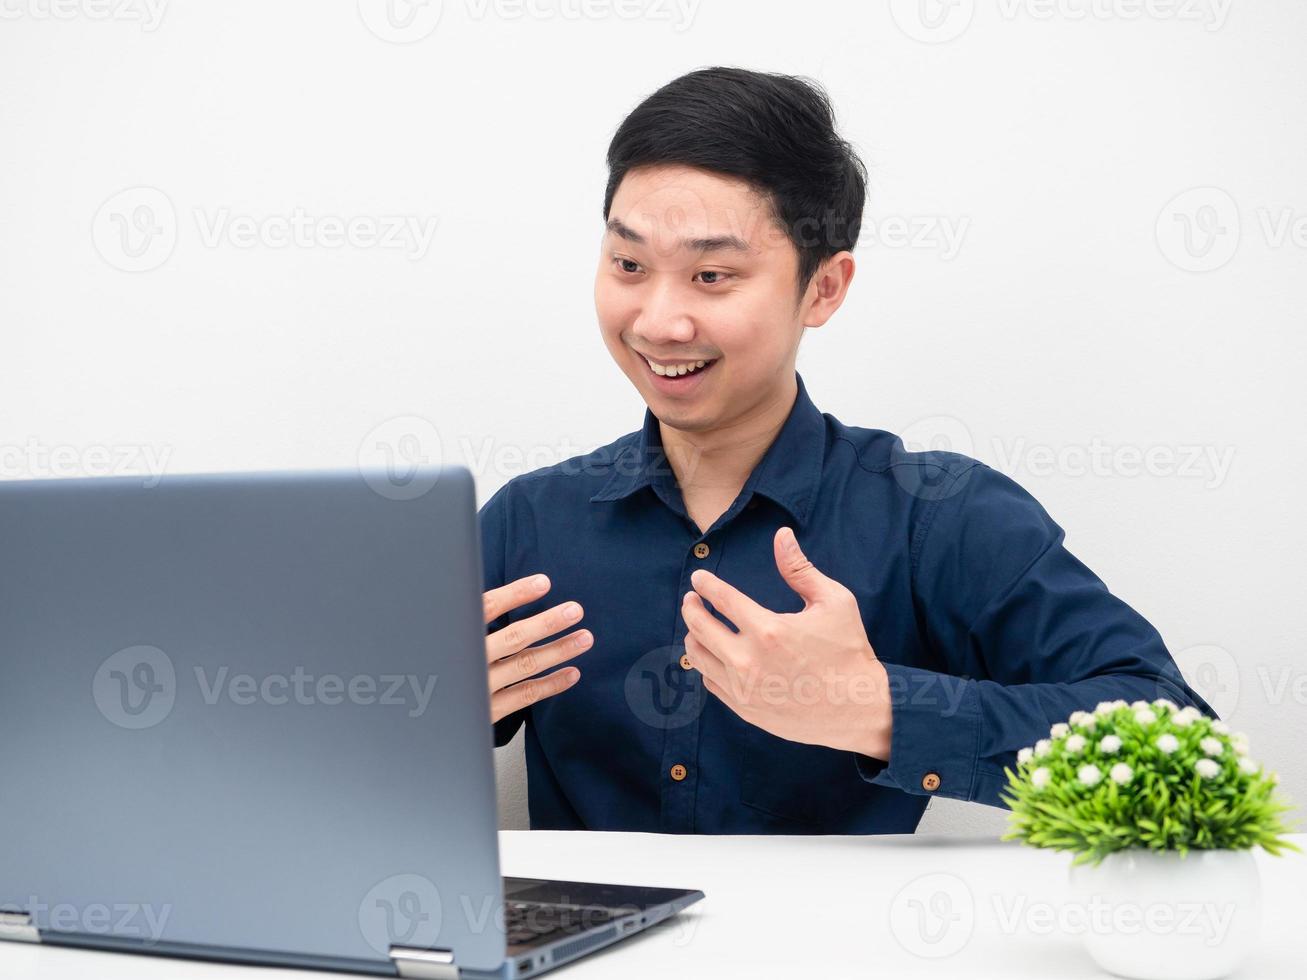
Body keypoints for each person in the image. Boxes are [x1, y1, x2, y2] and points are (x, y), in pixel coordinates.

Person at [478, 66, 1212, 834]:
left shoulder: (936, 518)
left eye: (711, 275)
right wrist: (415, 711)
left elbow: (1184, 752)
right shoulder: (527, 522)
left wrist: (876, 709)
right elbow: (361, 763)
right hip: (586, 955)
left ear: (823, 288)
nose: (659, 321)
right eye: (628, 265)